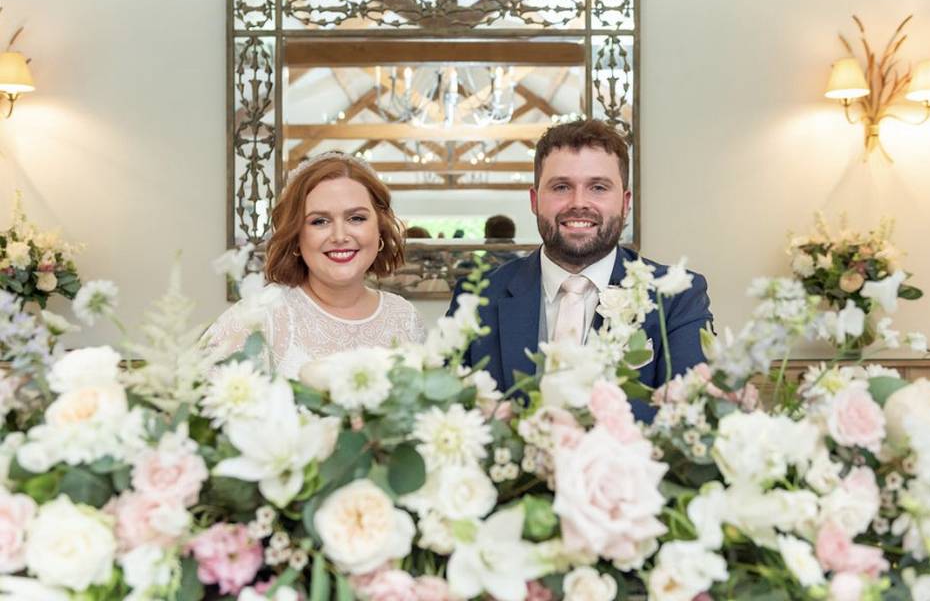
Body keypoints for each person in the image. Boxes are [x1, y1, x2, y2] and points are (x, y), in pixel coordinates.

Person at [447, 120, 712, 421]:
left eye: (598, 187)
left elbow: (688, 415)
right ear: (534, 200)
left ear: (625, 203)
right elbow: (451, 410)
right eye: (561, 187)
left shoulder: (679, 296)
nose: (579, 203)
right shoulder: (477, 295)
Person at [207, 152, 426, 379]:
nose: (340, 236)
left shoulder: (406, 318)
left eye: (356, 218)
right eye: (319, 221)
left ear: (379, 228)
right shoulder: (260, 317)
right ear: (297, 236)